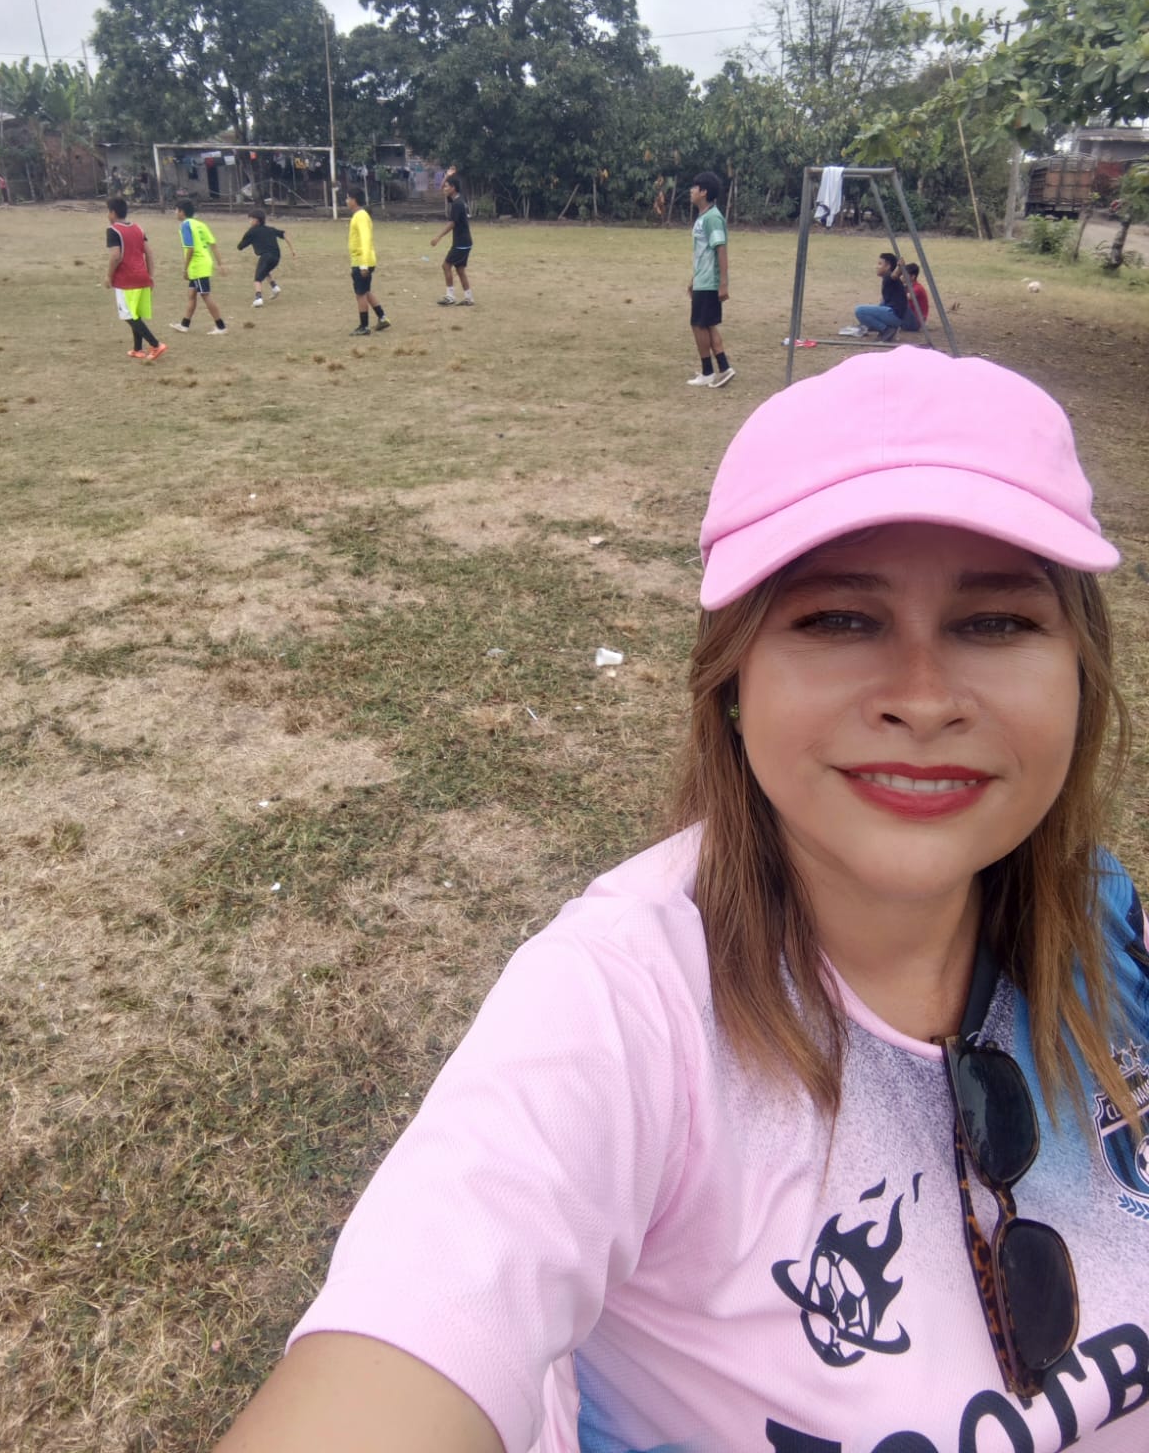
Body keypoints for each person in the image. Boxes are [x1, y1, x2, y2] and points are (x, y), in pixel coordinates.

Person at [214, 349, 1148, 1453]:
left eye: (994, 624)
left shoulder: (1108, 922)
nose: (924, 698)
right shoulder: (618, 1009)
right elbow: (402, 1351)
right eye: (838, 620)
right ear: (733, 682)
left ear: (1080, 672)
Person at [104, 195, 166, 362]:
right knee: (135, 313)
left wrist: (109, 276)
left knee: (128, 315)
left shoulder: (113, 230)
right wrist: (150, 276)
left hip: (126, 280)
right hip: (142, 277)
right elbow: (149, 253)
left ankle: (155, 344)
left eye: (108, 212)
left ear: (113, 213)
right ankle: (138, 349)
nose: (108, 215)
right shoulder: (138, 228)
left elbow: (115, 256)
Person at [686, 171, 734, 387]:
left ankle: (708, 372)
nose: (691, 191)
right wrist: (693, 279)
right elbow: (702, 252)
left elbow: (720, 249)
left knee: (698, 325)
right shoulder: (703, 217)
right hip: (702, 280)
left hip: (709, 282)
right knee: (707, 325)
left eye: (694, 187)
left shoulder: (713, 218)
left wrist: (723, 283)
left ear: (704, 192)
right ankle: (724, 368)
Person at [170, 198, 227, 335]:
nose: (175, 213)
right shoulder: (200, 224)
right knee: (191, 294)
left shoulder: (185, 225)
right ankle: (184, 325)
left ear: (182, 212)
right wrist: (220, 264)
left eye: (176, 210)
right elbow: (213, 244)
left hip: (197, 265)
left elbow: (190, 248)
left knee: (205, 295)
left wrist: (185, 269)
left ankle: (221, 326)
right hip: (203, 262)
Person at [346, 185, 390, 335]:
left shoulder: (361, 216)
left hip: (362, 261)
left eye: (348, 198)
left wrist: (363, 264)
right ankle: (382, 317)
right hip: (361, 260)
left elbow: (365, 239)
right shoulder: (359, 215)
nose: (346, 201)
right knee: (365, 291)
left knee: (360, 294)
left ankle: (364, 326)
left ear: (354, 200)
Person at [236, 209, 296, 306]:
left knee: (257, 278)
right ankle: (274, 287)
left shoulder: (252, 232)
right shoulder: (270, 229)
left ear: (256, 220)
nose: (249, 221)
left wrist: (244, 241)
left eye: (251, 219)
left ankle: (258, 298)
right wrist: (292, 250)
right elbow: (284, 234)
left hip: (266, 256)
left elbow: (240, 246)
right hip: (276, 257)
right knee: (264, 270)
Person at [431, 172, 474, 306]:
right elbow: (442, 190)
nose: (444, 188)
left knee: (446, 266)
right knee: (460, 270)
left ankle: (450, 297)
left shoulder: (457, 204)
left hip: (461, 243)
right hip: (465, 242)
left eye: (447, 186)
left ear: (453, 188)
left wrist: (438, 237)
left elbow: (452, 223)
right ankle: (469, 298)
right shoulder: (458, 198)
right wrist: (447, 177)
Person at [854, 250, 908, 341]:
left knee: (860, 311)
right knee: (880, 304)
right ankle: (887, 328)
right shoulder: (888, 279)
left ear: (888, 266)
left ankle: (886, 330)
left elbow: (894, 275)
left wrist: (900, 267)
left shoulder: (888, 276)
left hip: (894, 315)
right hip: (896, 315)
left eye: (880, 264)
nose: (876, 267)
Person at [900, 261, 931, 332]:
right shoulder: (908, 286)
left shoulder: (918, 288)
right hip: (911, 318)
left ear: (913, 277)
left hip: (916, 322)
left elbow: (906, 297)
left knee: (898, 302)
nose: (902, 277)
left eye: (904, 275)